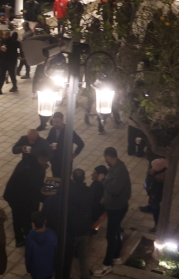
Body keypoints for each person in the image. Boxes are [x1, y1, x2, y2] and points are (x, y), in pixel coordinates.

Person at [93, 147, 131, 277]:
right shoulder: (115, 168)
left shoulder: (119, 171)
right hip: (114, 206)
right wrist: (105, 197)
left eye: (105, 158)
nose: (105, 160)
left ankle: (107, 264)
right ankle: (116, 256)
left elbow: (114, 189)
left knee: (110, 236)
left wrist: (103, 180)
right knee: (116, 231)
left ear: (109, 157)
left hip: (117, 208)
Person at [4, 152, 48, 247]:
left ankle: (19, 240)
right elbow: (34, 189)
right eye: (45, 160)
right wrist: (47, 200)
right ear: (40, 159)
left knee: (17, 216)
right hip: (18, 197)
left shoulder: (28, 162)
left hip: (13, 194)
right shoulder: (30, 170)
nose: (46, 163)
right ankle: (28, 240)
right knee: (25, 219)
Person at [46, 112, 85, 178]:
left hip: (65, 161)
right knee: (55, 178)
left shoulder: (69, 132)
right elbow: (47, 141)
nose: (55, 124)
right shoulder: (53, 130)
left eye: (57, 122)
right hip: (55, 161)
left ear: (62, 120)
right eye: (54, 122)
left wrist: (72, 157)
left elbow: (81, 144)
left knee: (65, 180)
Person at [25, 210, 57, 279]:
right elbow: (56, 253)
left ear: (33, 224)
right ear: (45, 221)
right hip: (49, 269)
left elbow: (28, 255)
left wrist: (28, 268)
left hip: (35, 271)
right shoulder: (52, 235)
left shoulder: (29, 237)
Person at [0, 31, 21, 96]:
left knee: (12, 75)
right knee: (2, 76)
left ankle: (15, 86)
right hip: (3, 61)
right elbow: (1, 51)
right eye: (4, 35)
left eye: (6, 35)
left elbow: (15, 52)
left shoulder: (13, 42)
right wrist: (0, 60)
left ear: (9, 35)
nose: (4, 36)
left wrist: (8, 50)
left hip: (11, 62)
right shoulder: (3, 41)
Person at [146, 158, 166, 233]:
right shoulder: (162, 175)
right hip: (157, 199)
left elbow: (153, 189)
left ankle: (157, 226)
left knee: (156, 213)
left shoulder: (158, 179)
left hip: (156, 200)